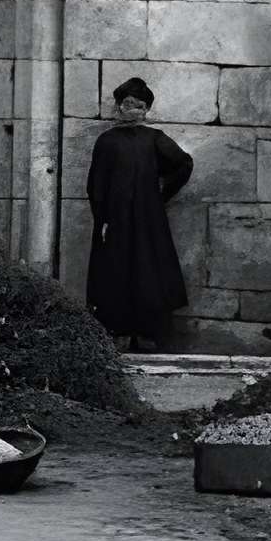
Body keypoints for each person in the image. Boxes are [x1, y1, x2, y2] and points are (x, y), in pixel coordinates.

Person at [85, 76, 193, 350]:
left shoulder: (154, 139)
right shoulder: (107, 141)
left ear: (146, 110)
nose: (133, 110)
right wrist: (103, 219)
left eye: (139, 105)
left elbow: (183, 164)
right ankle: (118, 331)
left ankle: (148, 333)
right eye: (127, 104)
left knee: (148, 271)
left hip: (148, 218)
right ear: (119, 107)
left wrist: (162, 194)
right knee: (115, 271)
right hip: (116, 220)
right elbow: (95, 185)